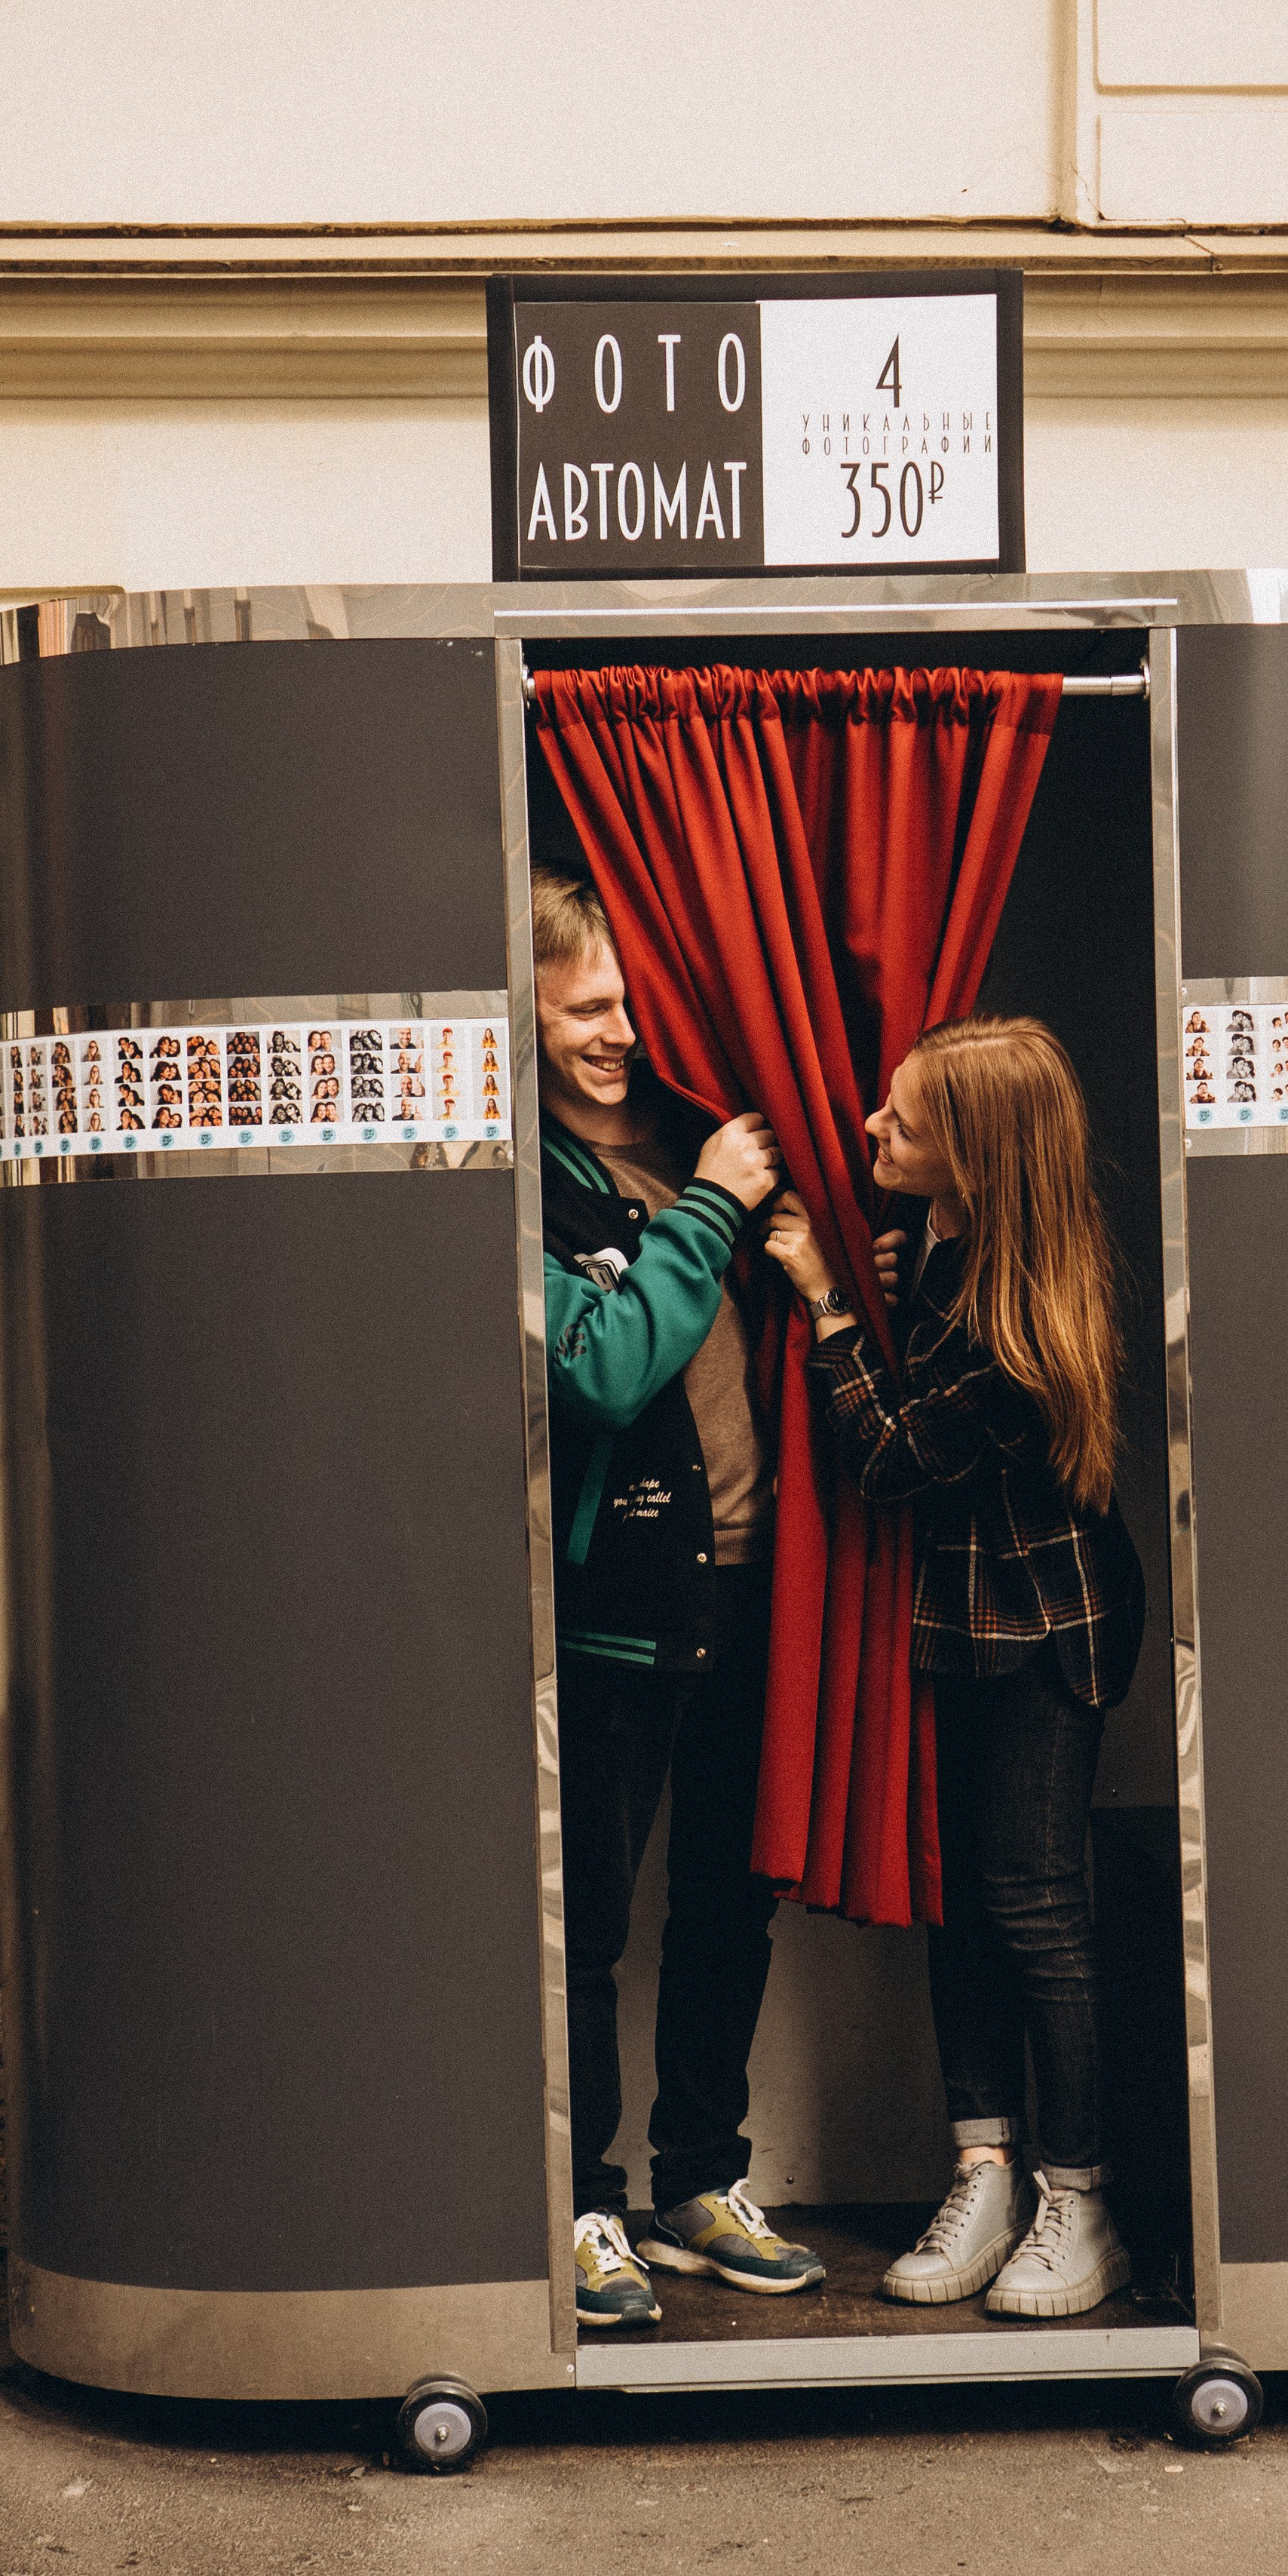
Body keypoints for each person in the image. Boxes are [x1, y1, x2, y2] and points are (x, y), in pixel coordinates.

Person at [763, 1015, 1146, 2319]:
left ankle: (1079, 2200)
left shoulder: (1018, 1322)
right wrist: (895, 1270)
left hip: (1044, 1625)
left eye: (903, 1123)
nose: (871, 1129)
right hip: (965, 1617)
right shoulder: (945, 1243)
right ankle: (986, 2169)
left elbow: (888, 1458)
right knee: (965, 1900)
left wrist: (824, 1301)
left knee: (1037, 1905)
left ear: (977, 1164)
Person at [533, 864, 825, 2329]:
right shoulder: (526, 1174)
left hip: (759, 1580)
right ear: (517, 1000)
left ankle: (698, 2179)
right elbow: (599, 1368)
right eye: (588, 1005)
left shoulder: (712, 1126)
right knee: (584, 1918)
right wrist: (710, 1205)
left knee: (730, 1895)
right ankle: (580, 2207)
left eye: (637, 1002)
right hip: (613, 1601)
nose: (619, 1032)